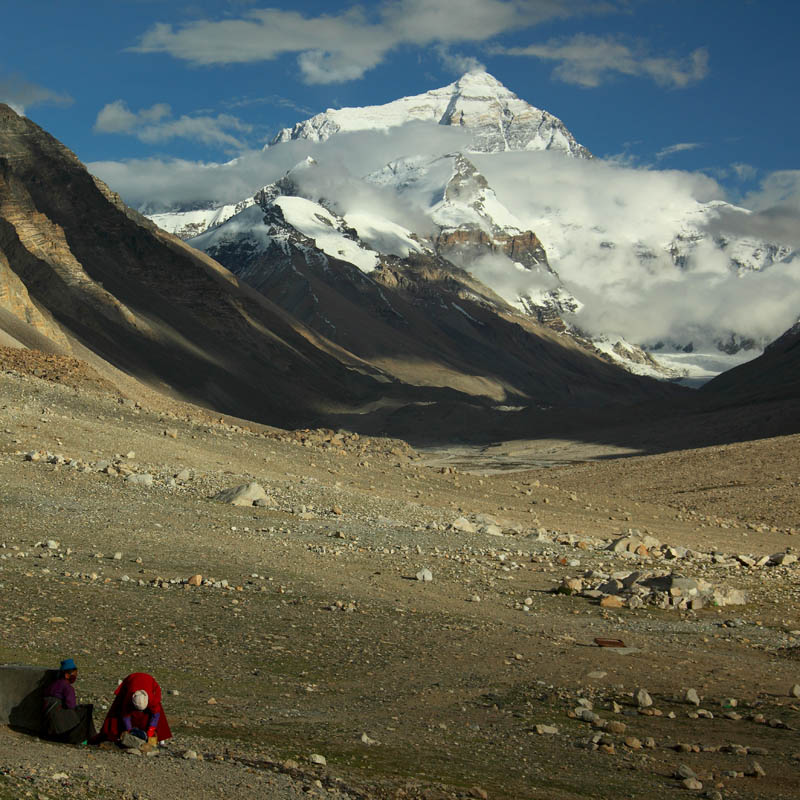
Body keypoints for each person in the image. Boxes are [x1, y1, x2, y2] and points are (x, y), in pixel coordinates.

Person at [99, 672, 171, 749]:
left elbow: (156, 714)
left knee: (159, 712)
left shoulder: (153, 699)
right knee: (117, 708)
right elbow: (125, 715)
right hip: (131, 680)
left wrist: (152, 728)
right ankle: (114, 734)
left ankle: (161, 739)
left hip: (148, 682)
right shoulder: (128, 697)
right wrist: (129, 729)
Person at [41, 658, 97, 744]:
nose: (75, 677)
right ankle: (88, 738)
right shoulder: (67, 687)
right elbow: (71, 705)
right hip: (61, 730)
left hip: (48, 727)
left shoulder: (54, 684)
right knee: (87, 709)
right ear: (67, 675)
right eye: (74, 675)